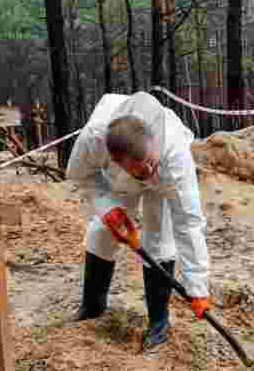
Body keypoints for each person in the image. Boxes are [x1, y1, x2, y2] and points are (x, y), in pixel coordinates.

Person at [65, 91, 209, 353]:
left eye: (150, 164)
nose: (148, 173)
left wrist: (197, 287)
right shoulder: (94, 140)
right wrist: (107, 208)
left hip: (163, 186)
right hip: (118, 184)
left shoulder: (173, 153)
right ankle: (92, 306)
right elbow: (79, 175)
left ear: (154, 140)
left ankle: (158, 322)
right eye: (141, 170)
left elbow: (188, 222)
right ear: (117, 161)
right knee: (101, 233)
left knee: (159, 238)